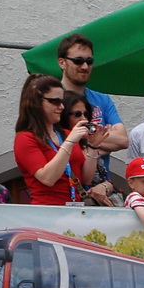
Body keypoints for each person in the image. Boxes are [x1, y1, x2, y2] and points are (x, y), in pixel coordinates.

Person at [54, 33, 127, 180]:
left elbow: (122, 140)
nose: (85, 66)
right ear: (62, 62)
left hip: (101, 186)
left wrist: (80, 141)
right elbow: (52, 143)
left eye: (89, 61)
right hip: (66, 186)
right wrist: (97, 141)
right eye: (78, 61)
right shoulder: (52, 100)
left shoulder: (103, 100)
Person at [13, 75, 92, 206]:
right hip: (47, 212)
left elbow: (86, 179)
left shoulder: (66, 134)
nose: (61, 107)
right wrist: (70, 142)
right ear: (37, 102)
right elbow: (48, 178)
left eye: (62, 101)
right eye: (55, 101)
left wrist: (93, 147)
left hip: (76, 209)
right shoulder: (25, 138)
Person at [60, 91, 119, 206]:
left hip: (95, 206)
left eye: (86, 114)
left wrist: (104, 186)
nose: (84, 119)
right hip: (72, 205)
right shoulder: (60, 141)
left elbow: (102, 177)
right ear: (65, 116)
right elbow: (84, 181)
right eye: (77, 114)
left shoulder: (86, 141)